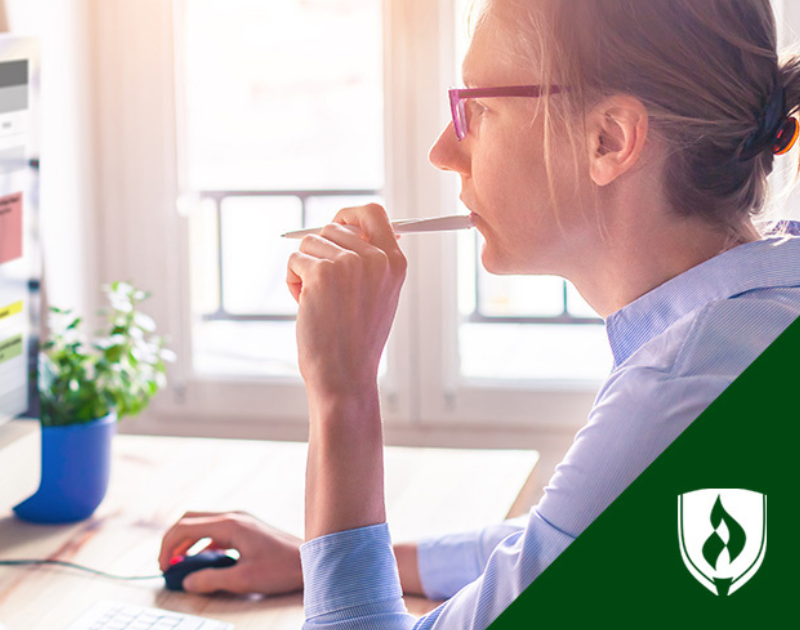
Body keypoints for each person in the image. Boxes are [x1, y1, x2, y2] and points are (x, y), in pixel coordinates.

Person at [158, 1, 800, 628]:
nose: (444, 150)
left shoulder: (683, 389)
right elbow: (561, 536)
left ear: (608, 139)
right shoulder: (757, 313)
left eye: (480, 108)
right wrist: (316, 561)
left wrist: (343, 391)